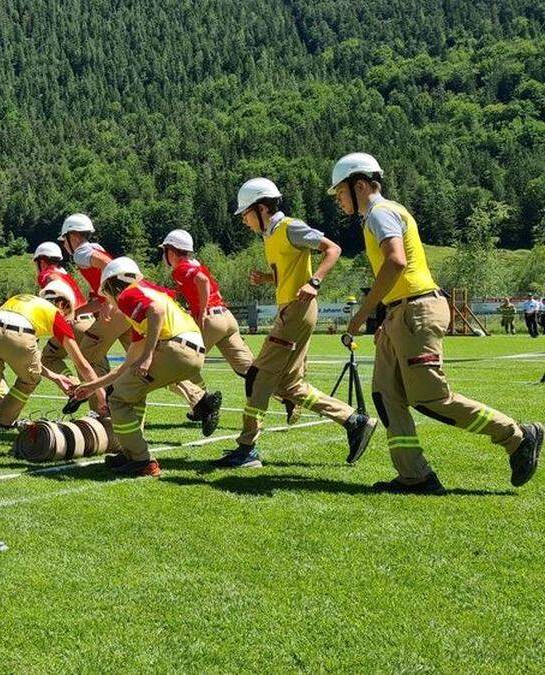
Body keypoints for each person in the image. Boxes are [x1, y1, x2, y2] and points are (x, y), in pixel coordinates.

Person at [336, 153, 541, 493]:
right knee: (386, 394)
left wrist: (364, 314)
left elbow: (396, 262)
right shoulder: (383, 213)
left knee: (431, 399)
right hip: (402, 312)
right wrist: (387, 315)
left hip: (415, 311)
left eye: (340, 192)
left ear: (359, 186)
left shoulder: (380, 213)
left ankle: (516, 436)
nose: (338, 199)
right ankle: (414, 476)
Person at [215, 177, 377, 470]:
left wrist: (315, 282)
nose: (244, 221)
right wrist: (266, 278)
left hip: (296, 310)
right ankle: (354, 421)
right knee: (290, 385)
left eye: (246, 214)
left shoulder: (290, 227)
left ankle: (247, 448)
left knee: (258, 376)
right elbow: (287, 272)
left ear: (262, 208)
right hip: (292, 310)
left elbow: (333, 249)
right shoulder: (271, 235)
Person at [58, 213, 219, 433]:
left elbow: (109, 267)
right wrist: (82, 308)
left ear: (73, 236)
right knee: (145, 364)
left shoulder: (81, 251)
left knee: (88, 353)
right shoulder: (95, 249)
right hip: (126, 307)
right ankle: (201, 401)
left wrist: (105, 299)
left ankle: (101, 410)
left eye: (65, 239)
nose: (65, 246)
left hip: (121, 304)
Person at [72, 258, 207, 477]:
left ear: (112, 285)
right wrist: (92, 386)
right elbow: (125, 367)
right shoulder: (144, 307)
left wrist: (148, 355)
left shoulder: (127, 294)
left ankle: (142, 460)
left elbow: (155, 311)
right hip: (191, 353)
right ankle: (130, 454)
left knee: (117, 400)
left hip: (174, 350)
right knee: (126, 392)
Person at [158, 228, 299, 428]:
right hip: (226, 318)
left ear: (171, 251)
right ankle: (287, 397)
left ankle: (203, 403)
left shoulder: (180, 268)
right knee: (249, 370)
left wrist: (202, 310)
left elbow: (202, 281)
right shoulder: (195, 264)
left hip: (211, 320)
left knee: (179, 363)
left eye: (164, 251)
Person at [0, 281, 99, 469]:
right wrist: (100, 397)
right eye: (67, 310)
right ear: (61, 303)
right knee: (29, 381)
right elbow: (81, 363)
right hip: (21, 335)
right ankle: (0, 422)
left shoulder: (20, 300)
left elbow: (29, 355)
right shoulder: (54, 314)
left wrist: (55, 377)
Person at [32, 241, 106, 414]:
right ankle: (77, 388)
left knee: (86, 369)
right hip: (87, 321)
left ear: (41, 261)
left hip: (74, 323)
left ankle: (99, 411)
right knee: (54, 358)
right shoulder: (65, 274)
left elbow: (56, 300)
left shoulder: (47, 275)